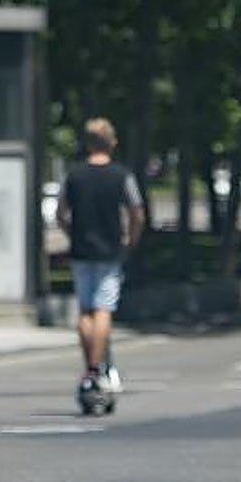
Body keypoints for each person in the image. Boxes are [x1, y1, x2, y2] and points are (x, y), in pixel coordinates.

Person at [56, 118, 145, 394]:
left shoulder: (73, 175)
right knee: (103, 309)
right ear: (111, 142)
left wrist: (72, 232)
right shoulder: (121, 175)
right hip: (110, 250)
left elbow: (60, 212)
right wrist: (131, 239)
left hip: (81, 249)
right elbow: (137, 211)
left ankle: (89, 369)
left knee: (85, 310)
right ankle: (98, 368)